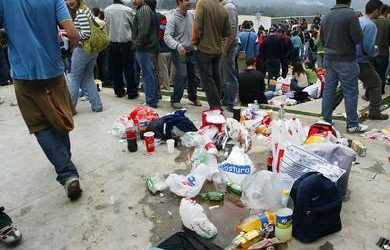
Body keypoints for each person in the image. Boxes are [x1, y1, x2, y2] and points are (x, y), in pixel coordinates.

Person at [0, 0, 83, 199]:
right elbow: (72, 34)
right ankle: (66, 160)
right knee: (60, 115)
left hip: (23, 73)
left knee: (40, 125)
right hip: (54, 70)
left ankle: (67, 173)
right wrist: (70, 49)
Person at [320, 0, 368, 133]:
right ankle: (352, 124)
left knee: (329, 90)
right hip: (346, 59)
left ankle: (326, 120)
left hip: (329, 59)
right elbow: (358, 38)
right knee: (351, 92)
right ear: (349, 1)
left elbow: (322, 40)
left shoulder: (327, 15)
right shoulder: (350, 15)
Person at [192, 0, 232, 109]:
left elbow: (197, 25)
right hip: (217, 49)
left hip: (204, 48)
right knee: (216, 77)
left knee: (207, 79)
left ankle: (215, 106)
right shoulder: (223, 9)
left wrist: (195, 43)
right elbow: (226, 32)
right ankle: (217, 101)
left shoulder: (202, 3)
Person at [164, 0, 201, 109]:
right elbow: (167, 36)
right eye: (186, 0)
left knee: (193, 75)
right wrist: (177, 46)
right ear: (179, 2)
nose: (189, 2)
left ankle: (193, 97)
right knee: (182, 74)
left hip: (191, 51)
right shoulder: (173, 18)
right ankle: (175, 99)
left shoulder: (191, 15)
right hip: (179, 51)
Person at [67, 0, 103, 112]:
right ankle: (97, 106)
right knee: (88, 77)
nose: (68, 2)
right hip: (92, 49)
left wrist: (71, 34)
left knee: (74, 78)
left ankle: (70, 108)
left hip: (82, 49)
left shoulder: (80, 12)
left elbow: (86, 33)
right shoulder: (86, 9)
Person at [357, 0, 388, 120]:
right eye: (380, 10)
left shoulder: (359, 21)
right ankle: (374, 111)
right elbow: (368, 48)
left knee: (344, 87)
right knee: (376, 84)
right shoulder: (370, 25)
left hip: (351, 59)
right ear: (376, 10)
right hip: (363, 61)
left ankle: (327, 110)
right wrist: (376, 51)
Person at [105, 0, 138, 99]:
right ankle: (131, 92)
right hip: (126, 43)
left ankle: (119, 91)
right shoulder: (127, 10)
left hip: (112, 42)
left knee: (116, 69)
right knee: (129, 68)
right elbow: (133, 26)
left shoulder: (107, 10)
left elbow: (107, 27)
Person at [132, 0, 159, 108]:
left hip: (144, 48)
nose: (134, 1)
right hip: (147, 48)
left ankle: (151, 100)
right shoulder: (145, 9)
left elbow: (143, 31)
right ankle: (153, 98)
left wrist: (136, 44)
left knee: (147, 75)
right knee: (150, 74)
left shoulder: (143, 10)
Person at [220, 0, 240, 111]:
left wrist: (225, 49)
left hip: (229, 46)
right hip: (227, 45)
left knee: (230, 76)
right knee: (225, 75)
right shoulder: (226, 7)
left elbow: (231, 32)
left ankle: (233, 103)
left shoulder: (229, 8)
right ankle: (227, 99)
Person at [374, 4, 390, 94]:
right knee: (382, 74)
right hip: (383, 53)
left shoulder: (372, 22)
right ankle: (381, 91)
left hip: (372, 53)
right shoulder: (388, 23)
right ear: (386, 11)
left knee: (373, 75)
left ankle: (370, 93)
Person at [157, 14, 172, 92]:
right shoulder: (169, 25)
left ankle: (165, 85)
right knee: (167, 68)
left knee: (163, 69)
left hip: (162, 50)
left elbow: (159, 38)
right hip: (169, 50)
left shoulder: (160, 27)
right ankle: (166, 83)